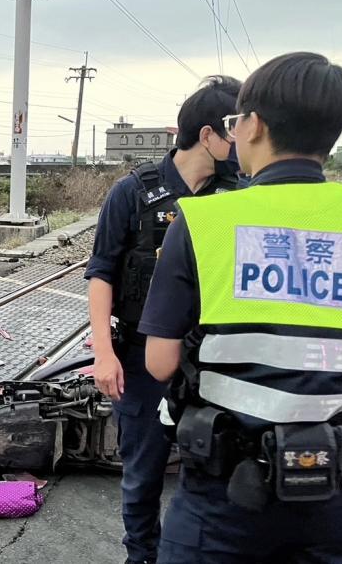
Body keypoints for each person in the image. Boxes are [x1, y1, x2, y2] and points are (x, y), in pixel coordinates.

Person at [141, 52, 342, 563]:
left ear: (252, 125)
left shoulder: (207, 221)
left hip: (224, 493)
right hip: (332, 486)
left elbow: (161, 362)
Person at [85, 75, 242, 564]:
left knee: (218, 467)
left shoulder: (239, 195)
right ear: (208, 135)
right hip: (138, 355)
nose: (245, 141)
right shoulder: (132, 193)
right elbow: (101, 274)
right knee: (142, 472)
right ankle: (142, 556)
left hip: (215, 359)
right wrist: (104, 354)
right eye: (236, 128)